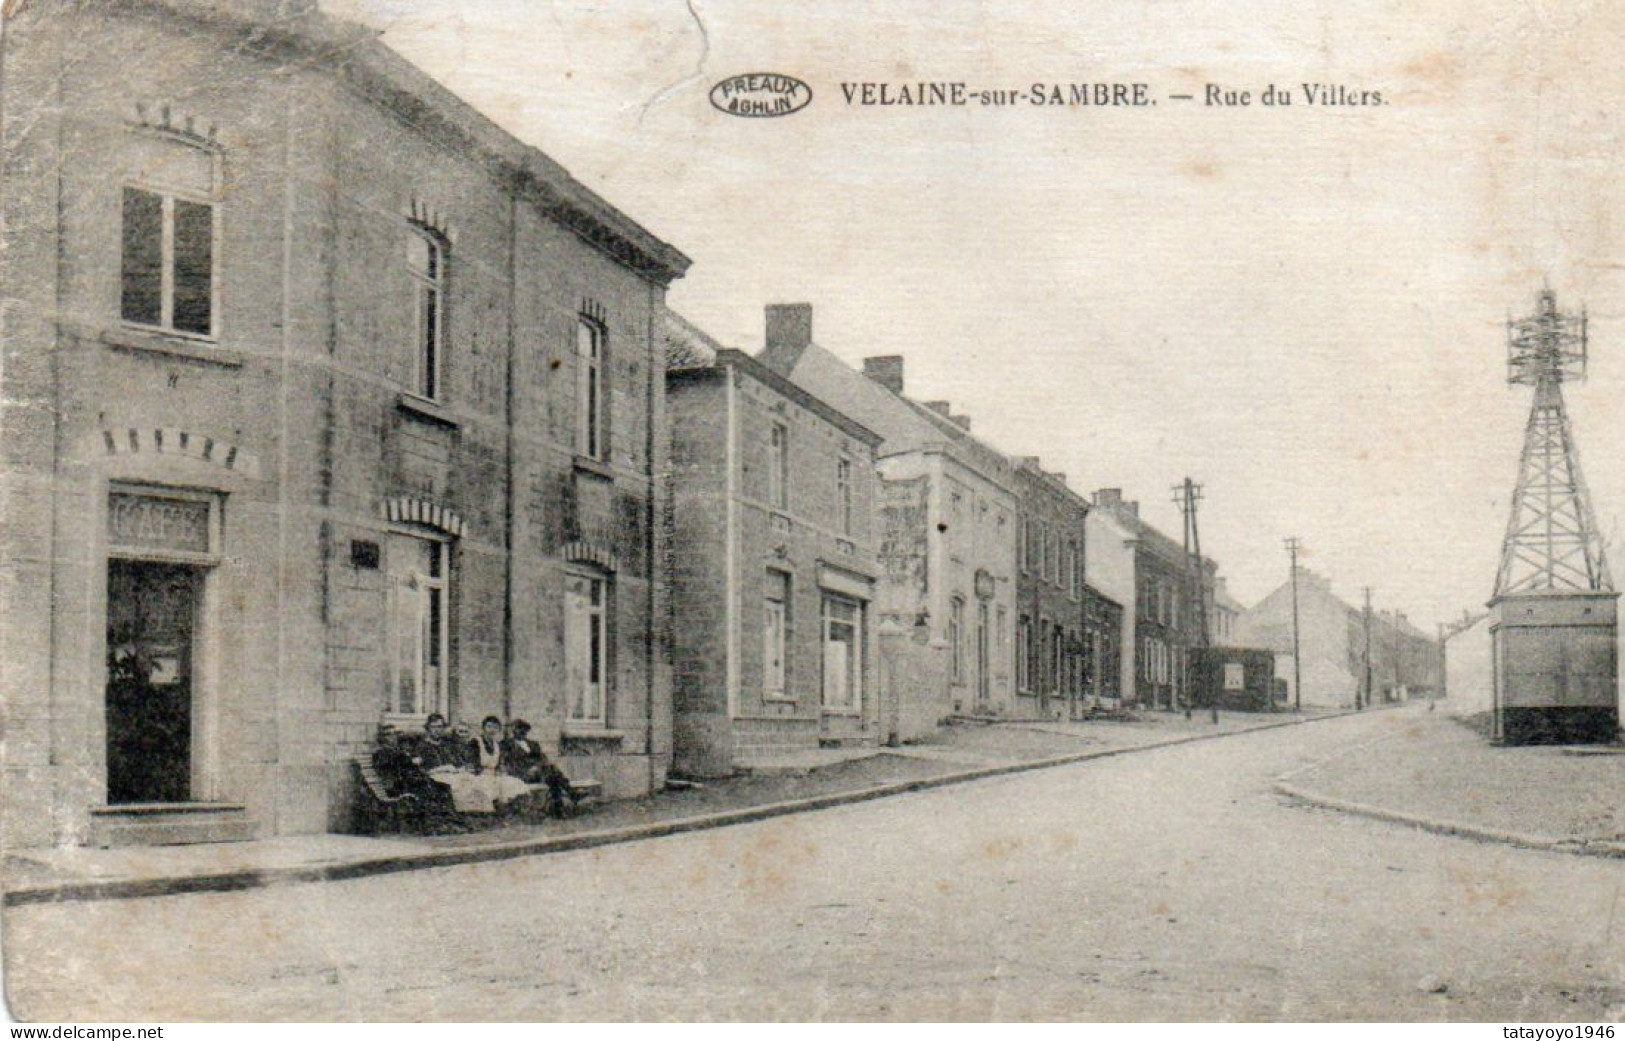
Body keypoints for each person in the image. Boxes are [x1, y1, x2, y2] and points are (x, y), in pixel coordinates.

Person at [371, 723, 462, 832]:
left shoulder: (398, 751)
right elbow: (392, 772)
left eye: (394, 734)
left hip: (410, 781)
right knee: (427, 789)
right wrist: (410, 762)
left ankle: (450, 822)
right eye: (388, 734)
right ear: (382, 738)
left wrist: (411, 762)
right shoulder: (381, 753)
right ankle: (433, 825)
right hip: (397, 786)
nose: (393, 737)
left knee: (443, 787)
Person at [502, 718, 573, 817]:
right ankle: (569, 794)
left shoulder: (533, 744)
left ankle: (559, 807)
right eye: (518, 729)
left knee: (552, 774)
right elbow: (509, 763)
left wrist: (537, 767)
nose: (521, 731)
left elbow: (543, 758)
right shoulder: (506, 744)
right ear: (513, 730)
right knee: (551, 774)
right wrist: (528, 770)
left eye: (524, 729)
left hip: (539, 773)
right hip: (522, 774)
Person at [469, 715, 534, 814]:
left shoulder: (497, 745)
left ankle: (510, 811)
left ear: (498, 730)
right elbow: (473, 763)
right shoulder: (476, 742)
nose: (492, 730)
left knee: (513, 782)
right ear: (483, 728)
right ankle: (489, 812)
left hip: (494, 774)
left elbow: (499, 763)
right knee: (490, 786)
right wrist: (484, 773)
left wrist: (500, 771)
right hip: (479, 774)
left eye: (495, 727)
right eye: (489, 727)